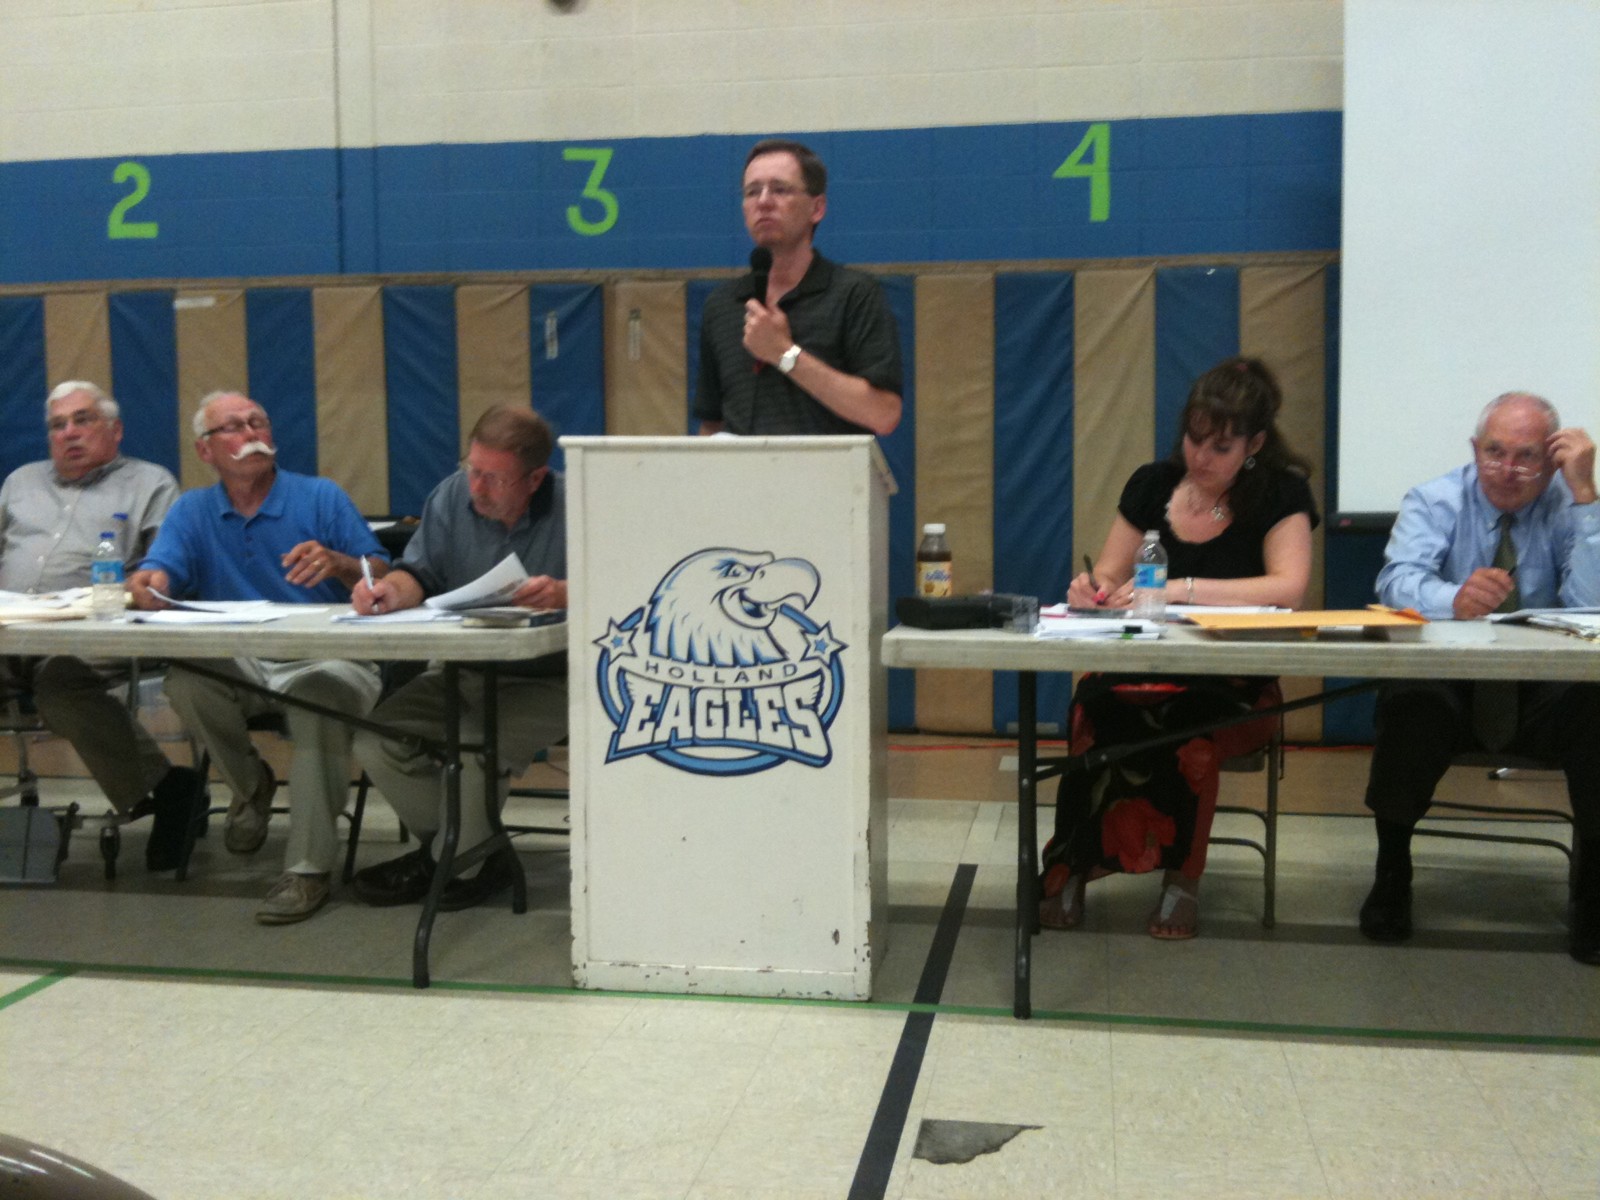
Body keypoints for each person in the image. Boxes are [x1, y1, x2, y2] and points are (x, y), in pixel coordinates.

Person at [1043, 356, 1318, 939]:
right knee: (1094, 706)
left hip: (1234, 685)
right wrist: (1091, 589)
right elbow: (1110, 573)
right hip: (1143, 667)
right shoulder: (1151, 484)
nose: (1201, 457)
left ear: (1255, 445)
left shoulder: (1280, 493)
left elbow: (1288, 587)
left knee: (1188, 726)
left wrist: (1180, 588)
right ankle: (1071, 868)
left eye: (1221, 447)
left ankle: (1182, 881)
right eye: (1194, 439)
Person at [1359, 391, 1600, 964]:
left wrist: (1587, 497)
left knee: (1597, 710)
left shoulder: (1574, 504)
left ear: (1552, 459)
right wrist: (1452, 598)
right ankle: (1392, 872)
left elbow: (1593, 606)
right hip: (1453, 685)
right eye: (1494, 452)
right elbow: (1395, 582)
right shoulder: (1435, 498)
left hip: (1544, 690)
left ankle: (1594, 891)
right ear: (1474, 449)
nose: (1507, 470)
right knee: (1410, 701)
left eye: (1526, 456)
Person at [129, 391, 388, 924]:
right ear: (205, 450)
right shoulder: (193, 510)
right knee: (186, 681)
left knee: (320, 697)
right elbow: (161, 572)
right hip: (244, 662)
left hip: (328, 656)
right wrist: (150, 584)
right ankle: (252, 787)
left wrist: (341, 563)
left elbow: (383, 574)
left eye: (258, 422)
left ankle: (309, 868)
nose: (250, 434)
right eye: (233, 427)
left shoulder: (320, 496)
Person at [348, 405, 566, 912]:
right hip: (462, 668)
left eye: (495, 478)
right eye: (473, 469)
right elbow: (418, 573)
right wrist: (390, 592)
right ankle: (470, 854)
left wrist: (565, 593)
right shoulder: (450, 495)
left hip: (553, 678)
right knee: (377, 739)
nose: (477, 488)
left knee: (472, 743)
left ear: (535, 479)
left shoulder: (578, 503)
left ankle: (451, 861)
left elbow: (629, 586)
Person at [0, 381, 203, 870]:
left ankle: (167, 790)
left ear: (115, 430)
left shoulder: (150, 483)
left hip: (97, 631)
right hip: (10, 631)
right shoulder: (21, 482)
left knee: (59, 680)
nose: (69, 433)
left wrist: (146, 583)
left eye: (82, 420)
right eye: (57, 425)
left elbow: (169, 568)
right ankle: (170, 786)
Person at [695, 138, 903, 437]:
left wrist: (783, 353)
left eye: (780, 189)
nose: (763, 201)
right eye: (752, 191)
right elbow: (712, 423)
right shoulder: (722, 304)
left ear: (817, 208)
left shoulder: (854, 295)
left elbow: (884, 414)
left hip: (826, 467)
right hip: (739, 468)